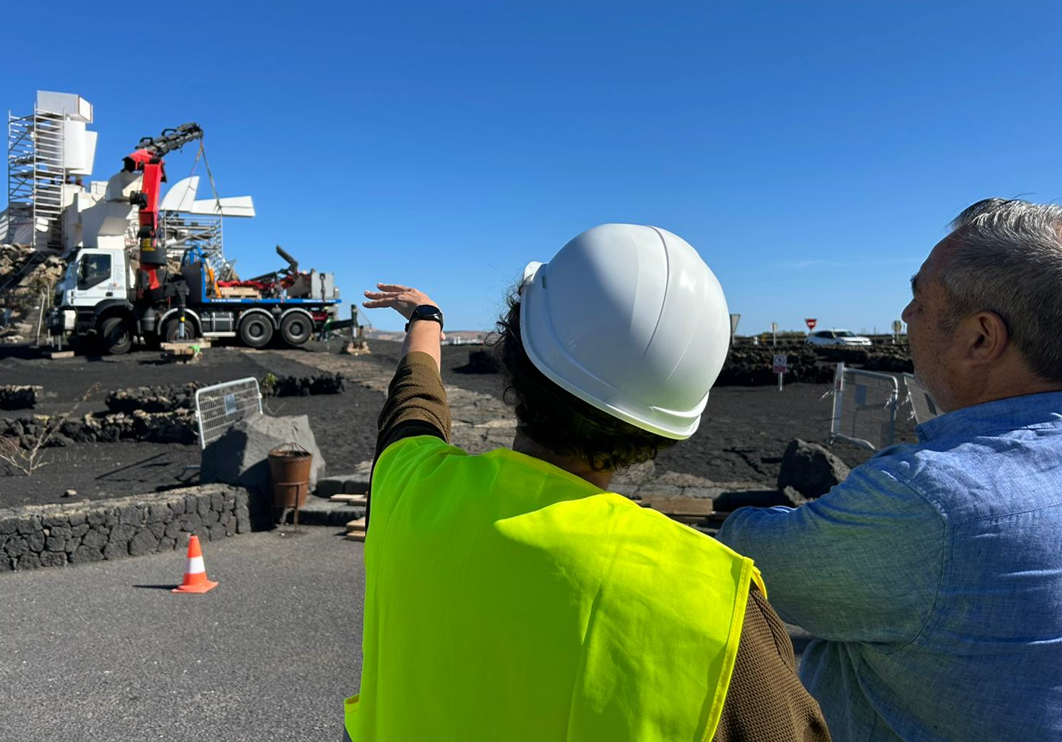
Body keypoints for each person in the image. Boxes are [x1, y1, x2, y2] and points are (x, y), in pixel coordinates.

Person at [343, 224, 829, 742]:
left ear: (513, 353)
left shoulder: (409, 488)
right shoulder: (720, 610)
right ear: (664, 428)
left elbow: (414, 402)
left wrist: (426, 318)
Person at [718, 198, 1062, 741]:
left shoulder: (930, 500)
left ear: (981, 338)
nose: (905, 317)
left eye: (920, 299)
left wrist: (766, 516)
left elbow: (753, 560)